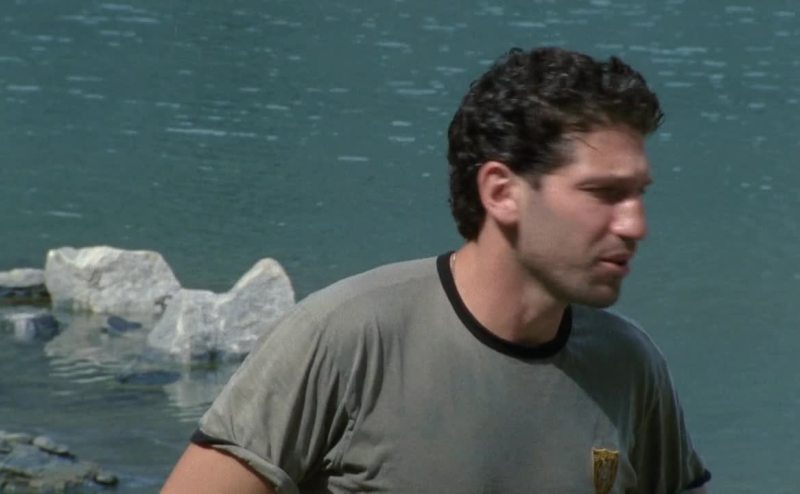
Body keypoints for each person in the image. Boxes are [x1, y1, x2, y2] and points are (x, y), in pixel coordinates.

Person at [162, 46, 711, 493]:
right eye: (603, 193)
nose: (635, 224)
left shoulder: (629, 367)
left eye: (639, 194)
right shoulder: (347, 339)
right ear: (502, 192)